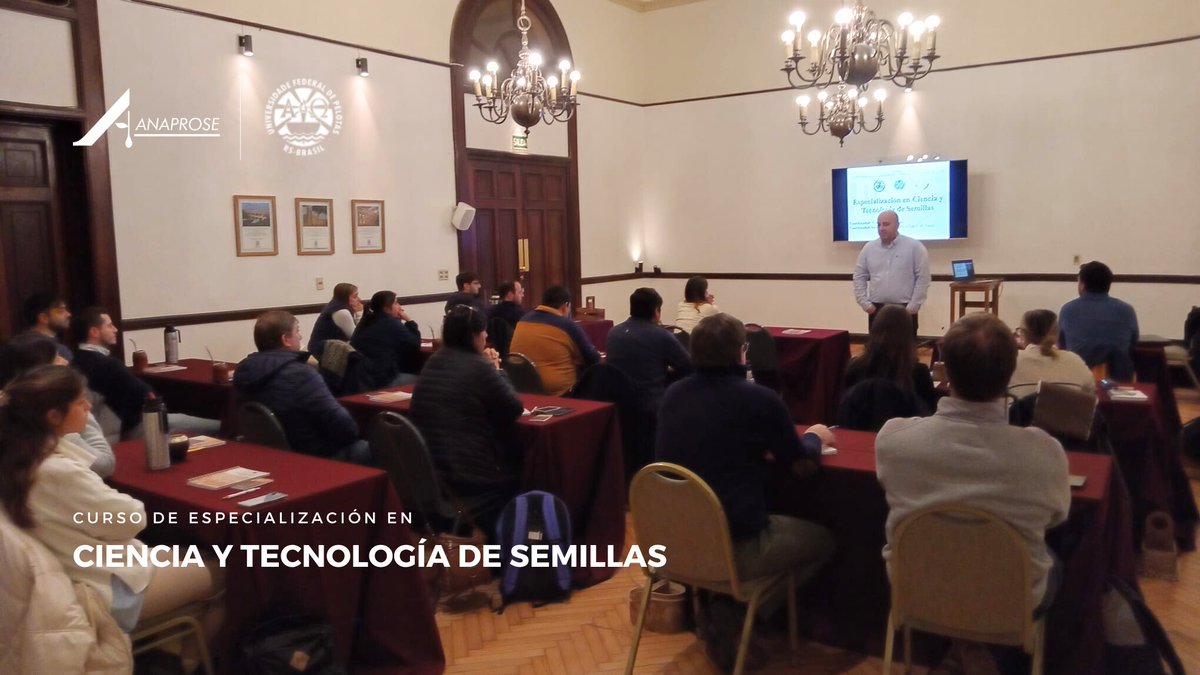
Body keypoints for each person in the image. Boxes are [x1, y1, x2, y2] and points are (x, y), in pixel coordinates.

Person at [655, 313, 835, 667]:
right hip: (734, 542)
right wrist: (815, 436)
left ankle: (724, 608)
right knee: (825, 542)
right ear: (742, 353)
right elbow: (800, 466)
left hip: (671, 540)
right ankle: (737, 606)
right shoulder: (759, 399)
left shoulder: (672, 395)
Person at [0, 366, 223, 642]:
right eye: (81, 402)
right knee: (230, 570)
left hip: (74, 570)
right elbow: (131, 519)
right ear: (54, 417)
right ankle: (190, 661)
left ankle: (172, 654)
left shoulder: (18, 460)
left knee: (188, 552)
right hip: (101, 588)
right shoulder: (56, 471)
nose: (90, 406)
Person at [876, 313, 1070, 613]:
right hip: (1010, 600)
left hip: (916, 586)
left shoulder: (893, 439)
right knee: (1057, 557)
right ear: (1011, 370)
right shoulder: (1045, 452)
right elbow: (1057, 517)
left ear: (945, 370)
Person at [410, 305, 523, 538]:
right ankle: (508, 549)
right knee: (523, 466)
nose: (487, 336)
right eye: (484, 332)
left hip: (431, 470)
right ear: (473, 335)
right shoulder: (479, 366)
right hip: (468, 473)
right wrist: (497, 369)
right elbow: (514, 408)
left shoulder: (434, 360)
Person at [233, 310, 370, 464]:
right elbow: (345, 427)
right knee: (377, 448)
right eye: (297, 331)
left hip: (265, 455)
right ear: (285, 339)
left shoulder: (242, 372)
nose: (301, 336)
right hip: (312, 456)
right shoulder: (301, 374)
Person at [70, 307, 221, 441]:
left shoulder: (74, 361)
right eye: (109, 326)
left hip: (105, 429)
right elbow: (147, 395)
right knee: (217, 425)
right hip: (135, 425)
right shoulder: (107, 364)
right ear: (94, 332)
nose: (115, 329)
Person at [0, 333, 113, 477]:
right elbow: (104, 464)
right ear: (40, 376)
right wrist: (73, 403)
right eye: (56, 359)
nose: (65, 362)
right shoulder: (41, 423)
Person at [841, 304, 938, 422]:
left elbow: (845, 409)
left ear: (874, 330)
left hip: (858, 434)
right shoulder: (919, 372)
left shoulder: (855, 367)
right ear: (909, 334)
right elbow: (930, 414)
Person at [606, 287, 692, 412]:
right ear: (656, 310)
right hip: (650, 405)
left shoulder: (613, 332)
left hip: (618, 404)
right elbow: (688, 366)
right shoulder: (661, 335)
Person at [508, 285, 601, 396]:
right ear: (565, 306)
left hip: (522, 389)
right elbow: (592, 358)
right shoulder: (566, 325)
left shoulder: (523, 320)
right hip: (559, 393)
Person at [852, 210, 930, 335]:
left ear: (897, 225)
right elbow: (859, 276)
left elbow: (923, 278)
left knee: (905, 350)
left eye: (886, 224)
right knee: (877, 350)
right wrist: (864, 303)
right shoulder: (869, 248)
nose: (881, 228)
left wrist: (913, 306)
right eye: (878, 224)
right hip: (877, 309)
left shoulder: (914, 247)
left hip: (905, 309)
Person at [1058, 261, 1140, 380]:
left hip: (1078, 378)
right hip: (1119, 378)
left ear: (1082, 285)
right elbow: (1133, 343)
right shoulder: (1126, 310)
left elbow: (1062, 346)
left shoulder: (1068, 310)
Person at [1009, 309, 1096, 398]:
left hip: (1021, 411)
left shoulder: (1010, 361)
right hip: (1068, 411)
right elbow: (1090, 393)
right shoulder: (1075, 361)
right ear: (1057, 333)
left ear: (1022, 334)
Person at [351, 291, 422, 388]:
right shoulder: (390, 323)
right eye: (396, 303)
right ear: (386, 309)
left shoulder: (366, 321)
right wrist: (410, 321)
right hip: (382, 379)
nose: (400, 306)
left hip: (362, 378)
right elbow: (415, 344)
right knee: (425, 380)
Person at [307, 282, 362, 356]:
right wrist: (359, 313)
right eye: (355, 296)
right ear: (345, 297)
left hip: (325, 347)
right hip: (322, 351)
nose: (359, 299)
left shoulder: (336, 305)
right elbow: (356, 337)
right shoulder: (342, 312)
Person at [22, 292, 73, 361]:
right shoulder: (31, 349)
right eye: (61, 311)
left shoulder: (23, 343)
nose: (68, 314)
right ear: (44, 318)